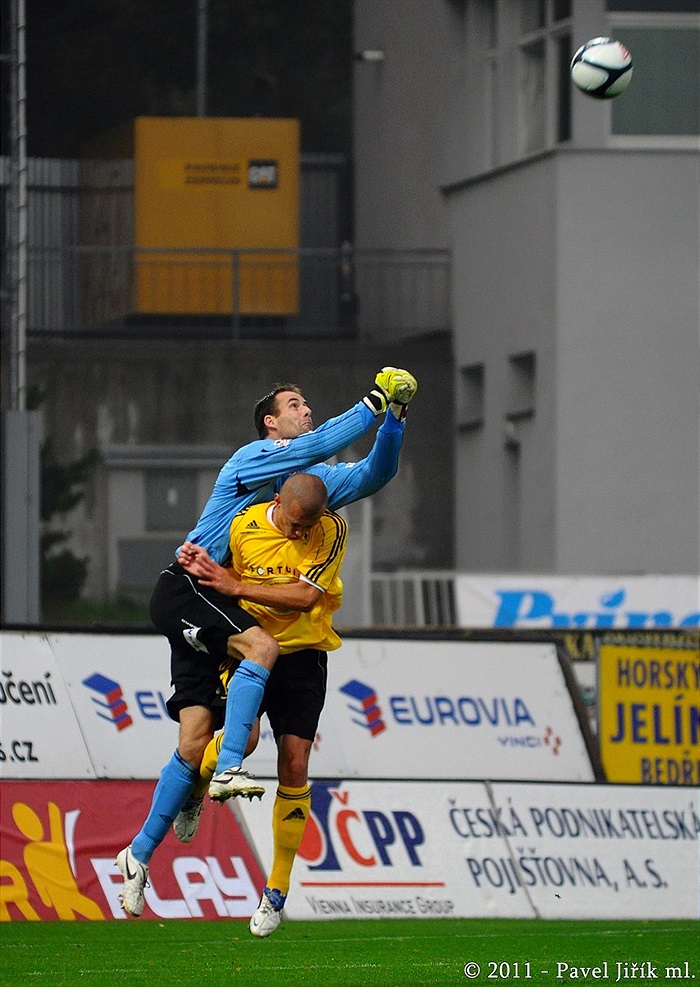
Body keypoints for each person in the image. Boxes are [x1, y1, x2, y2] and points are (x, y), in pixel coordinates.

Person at [116, 368, 417, 917]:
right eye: (294, 405)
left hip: (223, 606)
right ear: (270, 425)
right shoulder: (252, 459)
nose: (306, 410)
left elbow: (375, 473)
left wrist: (394, 417)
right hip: (193, 589)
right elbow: (315, 445)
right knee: (260, 652)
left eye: (306, 403)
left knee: (193, 743)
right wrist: (373, 402)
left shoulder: (312, 485)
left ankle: (139, 853)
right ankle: (228, 768)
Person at [178, 471, 347, 939]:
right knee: (244, 740)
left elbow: (304, 597)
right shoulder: (243, 524)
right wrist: (210, 574)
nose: (298, 533)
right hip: (251, 650)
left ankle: (276, 891)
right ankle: (195, 788)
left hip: (304, 656)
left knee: (295, 765)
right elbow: (221, 575)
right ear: (277, 501)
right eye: (293, 524)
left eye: (306, 527)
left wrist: (236, 588)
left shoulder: (332, 529)